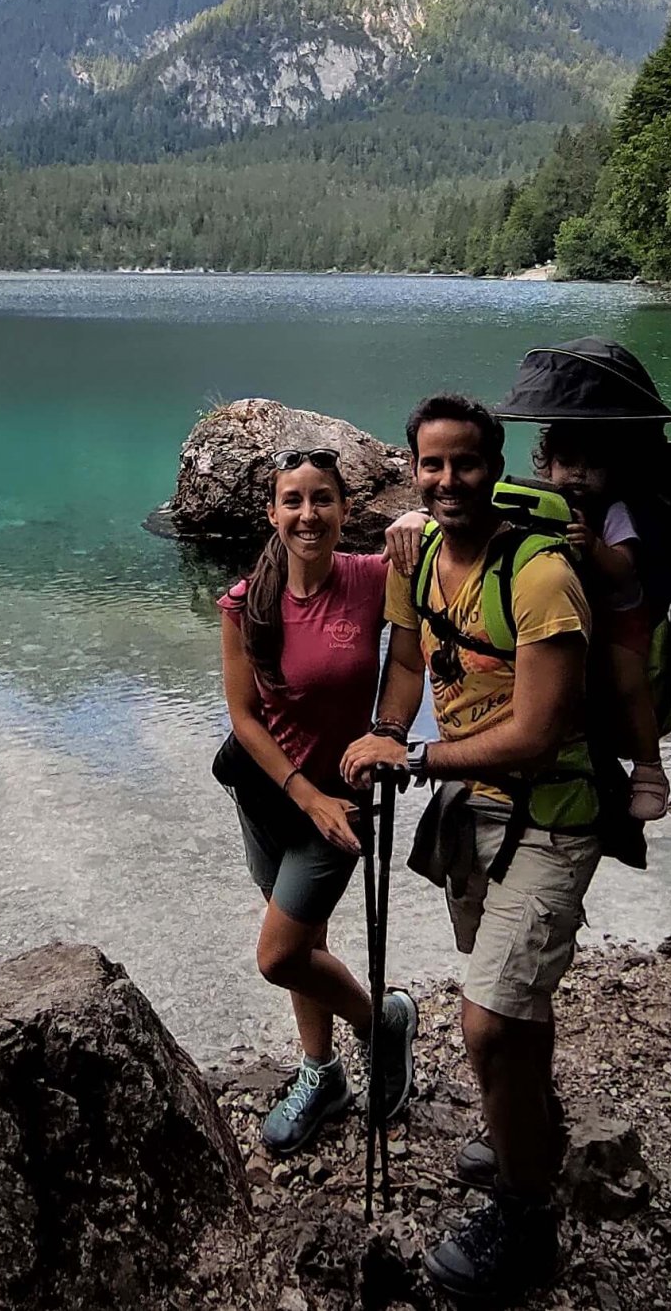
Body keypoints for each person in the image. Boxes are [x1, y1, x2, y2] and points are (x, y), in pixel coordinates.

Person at [347, 394, 603, 1304]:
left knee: (487, 1019)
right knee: (517, 1006)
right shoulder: (413, 562)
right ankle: (533, 1126)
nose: (447, 481)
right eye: (432, 465)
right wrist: (383, 729)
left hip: (553, 812)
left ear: (496, 466)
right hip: (472, 810)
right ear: (412, 468)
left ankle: (527, 1221)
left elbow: (538, 731)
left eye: (464, 463)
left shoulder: (540, 577)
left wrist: (412, 754)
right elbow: (411, 660)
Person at [216, 446, 418, 1156]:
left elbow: (414, 636)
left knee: (278, 955)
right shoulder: (246, 602)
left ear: (345, 510)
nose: (308, 514)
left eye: (322, 499)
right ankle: (323, 1072)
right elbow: (243, 715)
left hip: (343, 802)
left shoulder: (371, 580)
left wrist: (419, 518)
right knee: (307, 943)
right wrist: (301, 793)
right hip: (271, 798)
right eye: (293, 500)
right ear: (271, 513)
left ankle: (379, 1022)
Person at [531, 420, 671, 821]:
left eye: (591, 465)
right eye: (566, 462)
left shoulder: (614, 511)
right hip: (570, 610)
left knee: (628, 682)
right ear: (548, 466)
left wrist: (593, 545)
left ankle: (649, 769)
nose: (577, 474)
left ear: (612, 471)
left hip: (619, 612)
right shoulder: (546, 502)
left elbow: (624, 568)